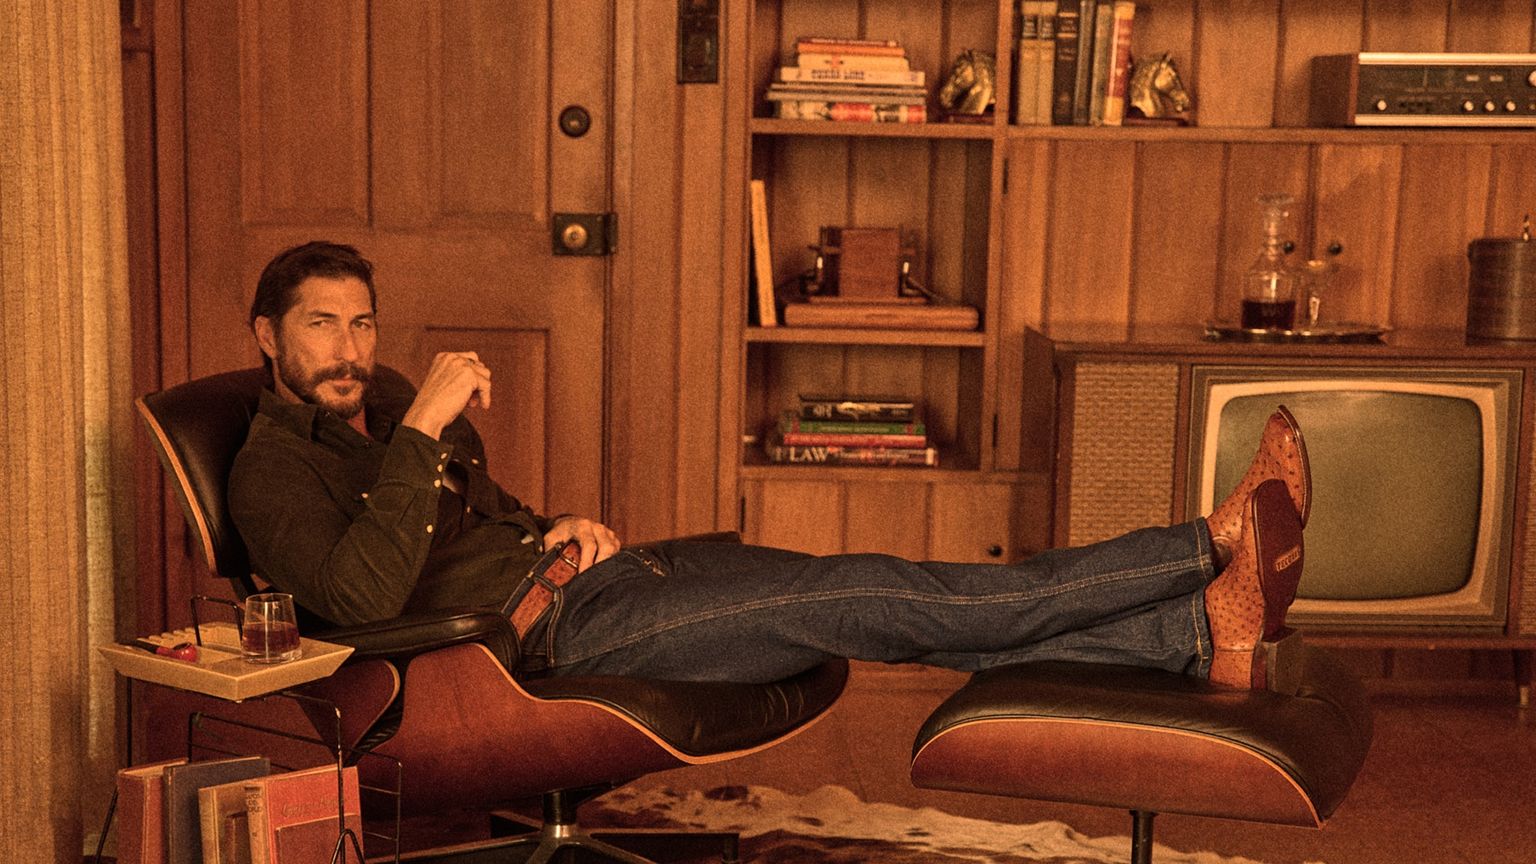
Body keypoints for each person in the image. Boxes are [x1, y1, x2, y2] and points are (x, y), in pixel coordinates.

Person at [229, 241, 1311, 691]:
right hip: (542, 642)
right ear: (268, 339)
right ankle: (1204, 545)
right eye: (321, 327)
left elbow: (477, 520)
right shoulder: (270, 470)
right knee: (872, 594)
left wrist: (563, 522)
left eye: (364, 324)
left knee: (884, 591)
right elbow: (359, 604)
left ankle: (1193, 631)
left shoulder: (389, 410)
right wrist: (421, 430)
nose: (353, 351)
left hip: (600, 579)